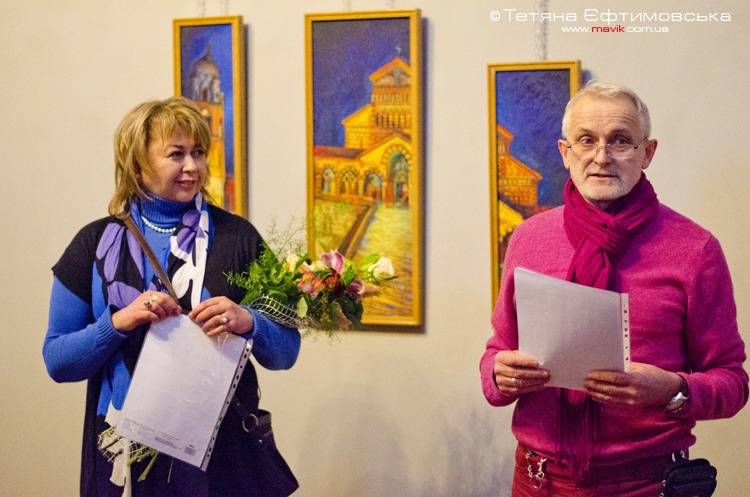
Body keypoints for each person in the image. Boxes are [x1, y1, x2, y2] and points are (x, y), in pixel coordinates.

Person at [480, 82, 748, 496]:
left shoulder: (695, 249)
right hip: (537, 480)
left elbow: (732, 383)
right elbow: (497, 353)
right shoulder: (528, 238)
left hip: (645, 483)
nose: (601, 156)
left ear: (648, 152)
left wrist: (671, 390)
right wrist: (501, 376)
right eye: (586, 140)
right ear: (565, 152)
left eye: (620, 141)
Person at [43, 97, 301, 497]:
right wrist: (118, 323)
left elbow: (286, 352)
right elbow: (58, 361)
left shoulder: (238, 237)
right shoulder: (92, 243)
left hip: (223, 456)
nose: (192, 167)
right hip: (121, 454)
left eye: (199, 152)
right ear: (137, 163)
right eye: (176, 154)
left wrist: (249, 321)